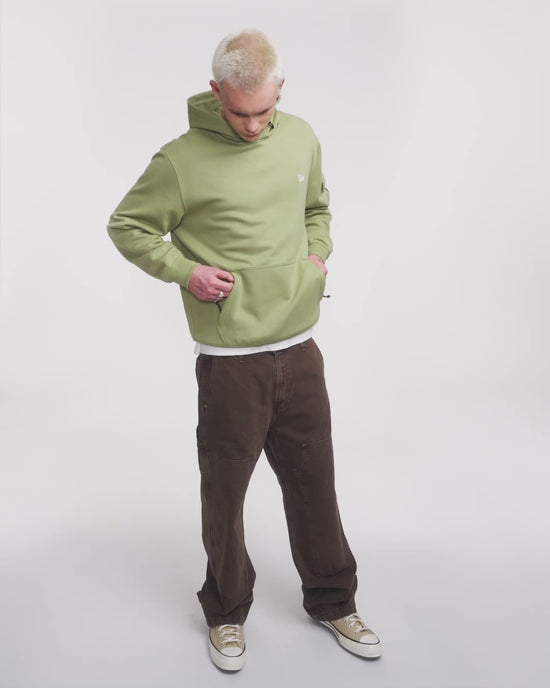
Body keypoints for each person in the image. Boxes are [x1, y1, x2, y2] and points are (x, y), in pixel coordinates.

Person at [107, 28, 382, 672]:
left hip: (301, 347)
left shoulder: (301, 136)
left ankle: (334, 600)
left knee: (315, 484)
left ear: (280, 89)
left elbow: (317, 209)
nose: (254, 125)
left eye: (264, 110)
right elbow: (127, 225)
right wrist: (186, 271)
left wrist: (317, 256)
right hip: (231, 362)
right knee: (225, 495)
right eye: (239, 112)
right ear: (215, 92)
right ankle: (226, 613)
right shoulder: (180, 161)